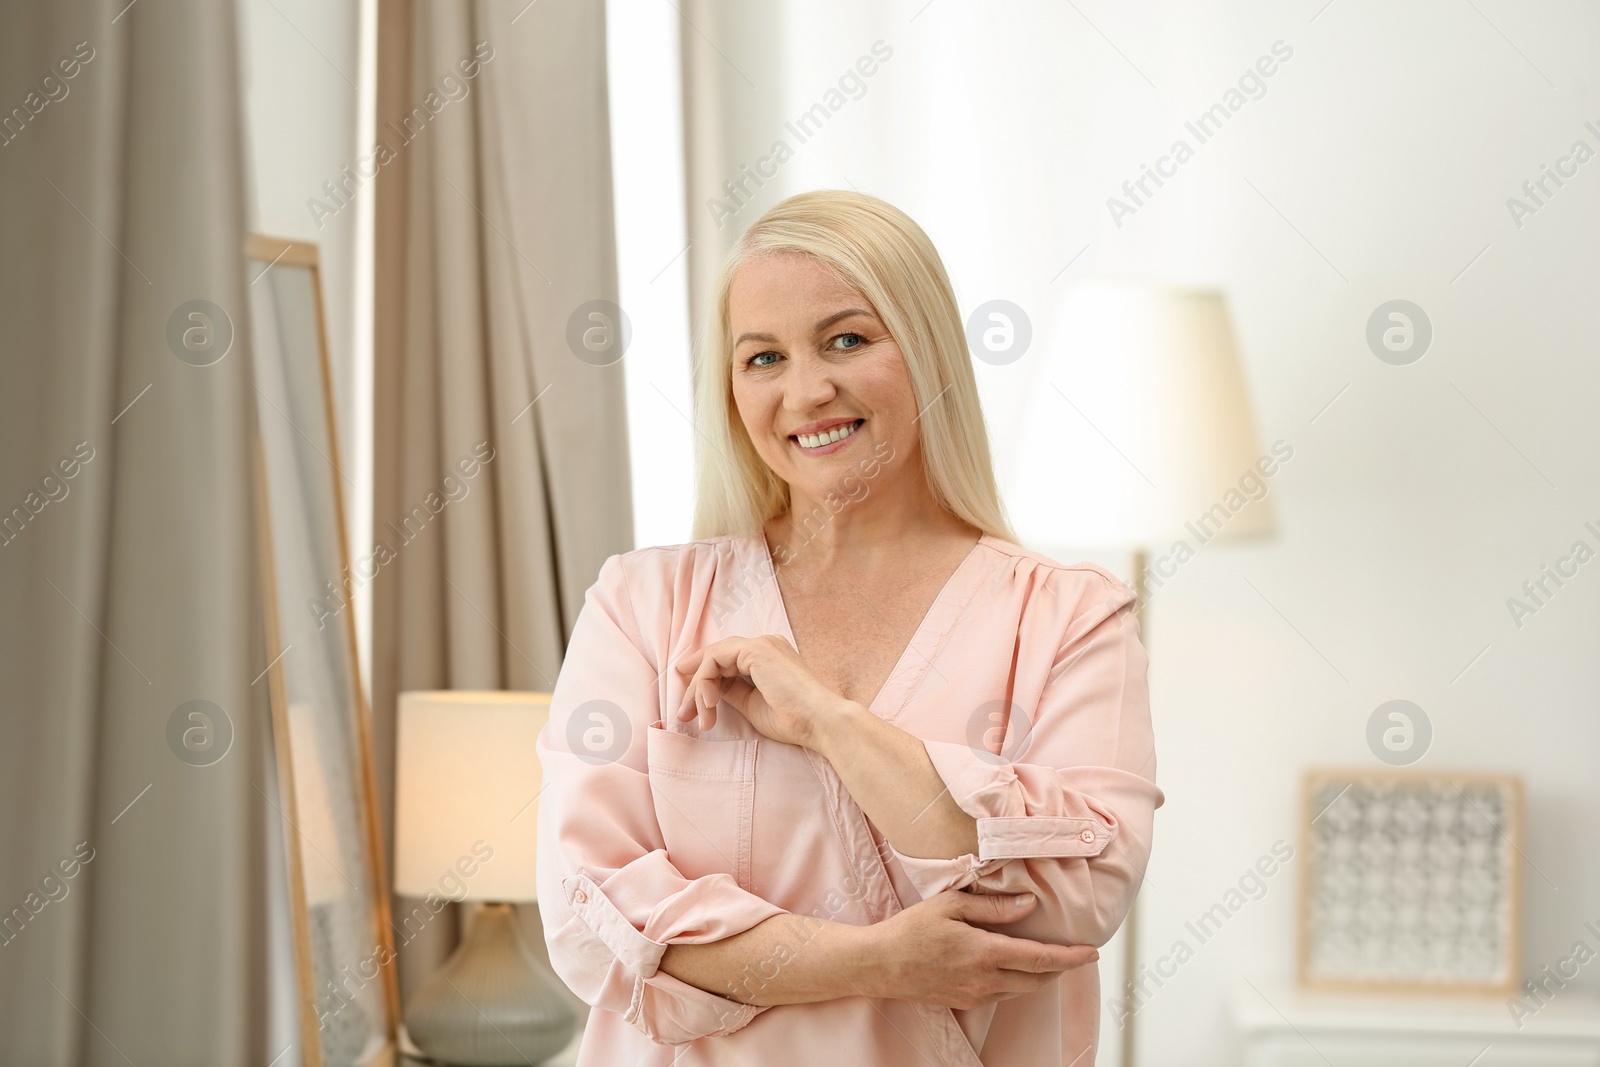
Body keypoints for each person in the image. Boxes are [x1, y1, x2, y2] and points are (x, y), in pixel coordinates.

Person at [535, 189, 1164, 1065]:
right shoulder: (641, 605)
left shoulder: (1068, 617)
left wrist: (830, 722)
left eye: (847, 339)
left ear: (928, 349)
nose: (806, 390)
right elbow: (590, 917)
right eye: (762, 357)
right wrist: (881, 963)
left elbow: (1071, 897)